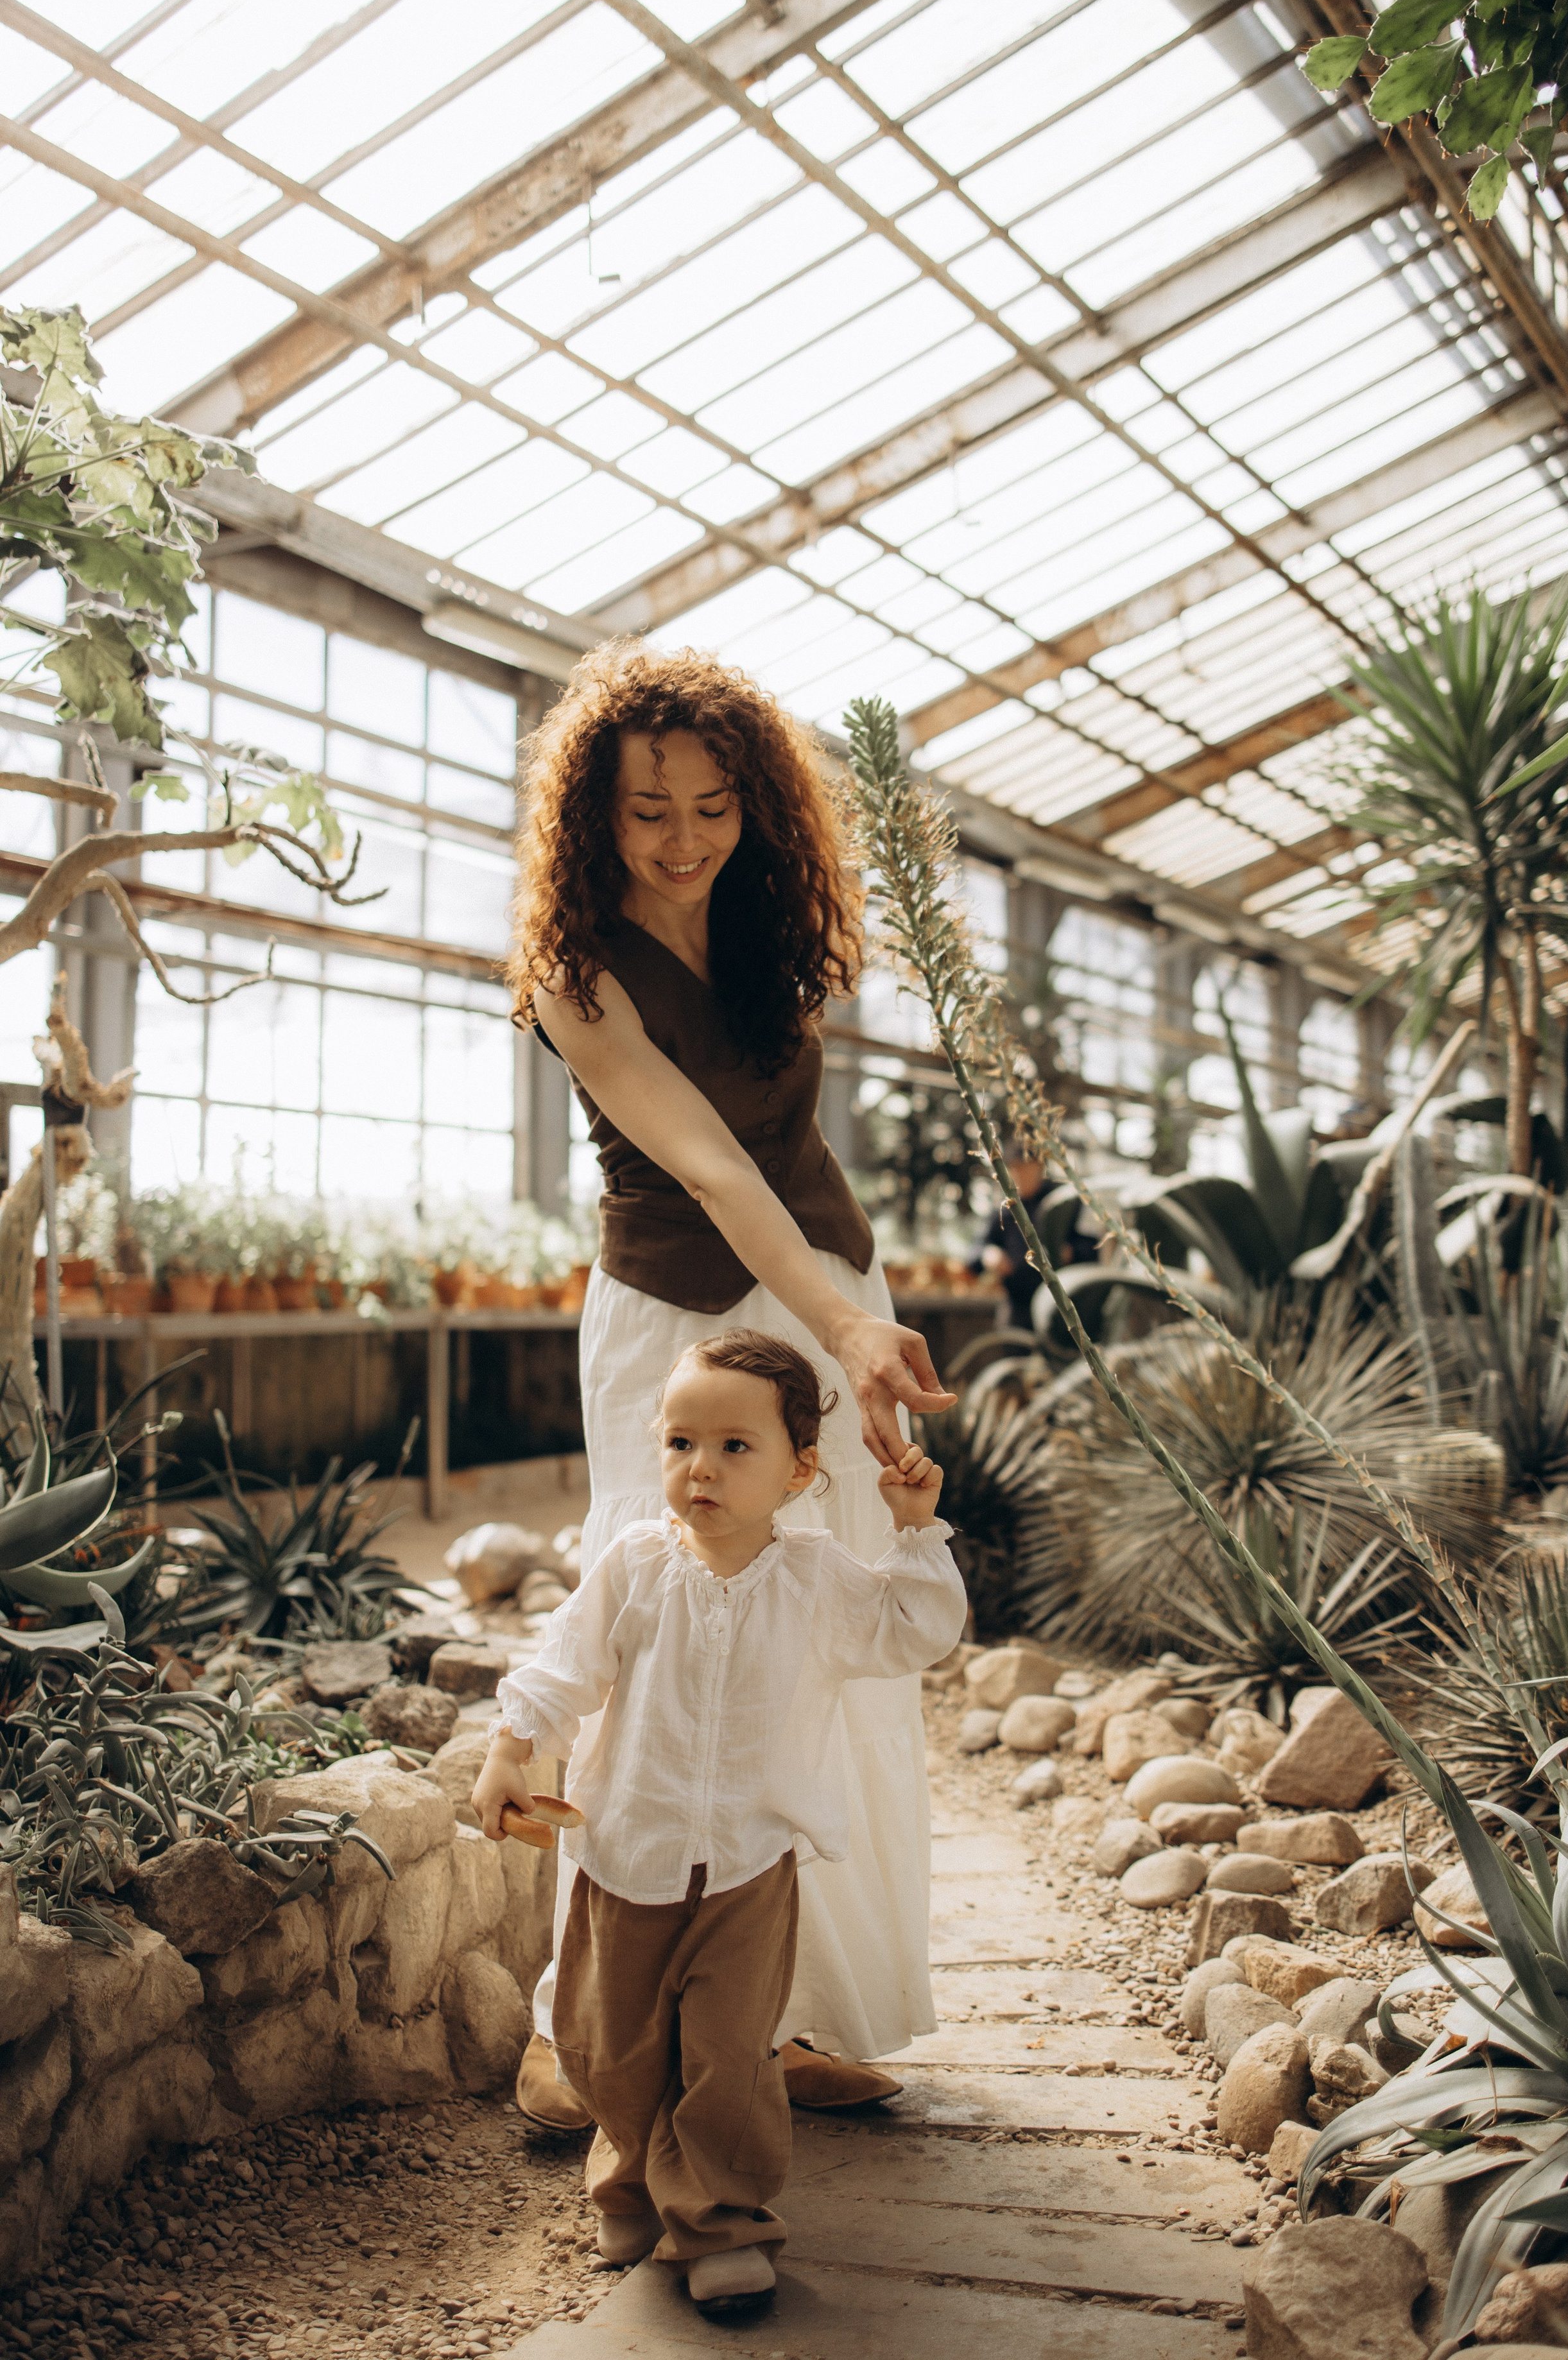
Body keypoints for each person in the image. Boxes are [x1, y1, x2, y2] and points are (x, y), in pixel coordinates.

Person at [503, 641, 958, 2125]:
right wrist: (838, 1321)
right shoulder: (576, 975)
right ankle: (583, 2030)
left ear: (751, 806)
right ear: (598, 815)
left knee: (822, 1638)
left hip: (833, 1299)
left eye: (711, 806)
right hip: (673, 1325)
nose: (683, 837)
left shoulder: (771, 931)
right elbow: (704, 1162)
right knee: (647, 1634)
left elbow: (788, 1154)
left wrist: (847, 1325)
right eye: (648, 811)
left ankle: (800, 2006)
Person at [472, 1331, 962, 2315]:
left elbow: (914, 1631)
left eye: (736, 1447)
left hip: (748, 1865)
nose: (701, 1467)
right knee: (613, 2049)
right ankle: (627, 2180)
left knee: (729, 2057)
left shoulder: (817, 1579)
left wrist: (914, 1531)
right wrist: (510, 1749)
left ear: (799, 1472)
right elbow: (565, 1664)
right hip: (625, 1857)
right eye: (680, 1442)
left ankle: (721, 2222)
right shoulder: (636, 1566)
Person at [969, 1140, 1093, 1329]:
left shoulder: (1065, 1202)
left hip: (1062, 1302)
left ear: (1040, 1167)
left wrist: (1071, 1252)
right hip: (1018, 1304)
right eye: (1015, 1169)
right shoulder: (1005, 1209)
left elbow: (1094, 1247)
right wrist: (988, 1254)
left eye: (1026, 1168)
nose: (1020, 1175)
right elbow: (975, 1252)